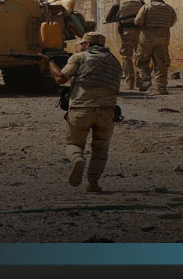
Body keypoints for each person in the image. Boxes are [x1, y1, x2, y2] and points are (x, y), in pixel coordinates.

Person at [39, 31, 123, 193]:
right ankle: (93, 184)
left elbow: (60, 78)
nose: (80, 48)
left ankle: (78, 159)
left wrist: (49, 62)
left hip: (81, 109)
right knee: (100, 149)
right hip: (107, 112)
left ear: (88, 44)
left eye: (82, 44)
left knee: (74, 144)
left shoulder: (80, 57)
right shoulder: (114, 61)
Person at [132, 0, 177, 95]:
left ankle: (146, 80)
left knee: (141, 61)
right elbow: (172, 22)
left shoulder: (146, 7)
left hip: (146, 40)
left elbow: (138, 22)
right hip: (162, 39)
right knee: (161, 63)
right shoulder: (169, 9)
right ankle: (161, 86)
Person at [105, 0, 144, 90]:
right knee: (139, 56)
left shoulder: (119, 4)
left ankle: (130, 83)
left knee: (127, 58)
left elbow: (108, 19)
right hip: (139, 32)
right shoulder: (140, 2)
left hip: (125, 33)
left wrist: (117, 17)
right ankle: (140, 81)